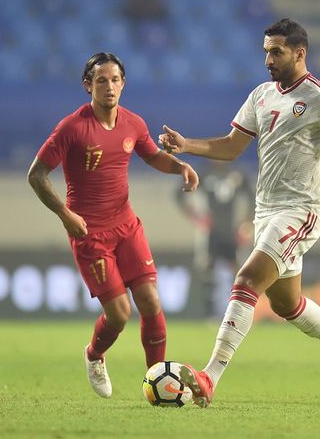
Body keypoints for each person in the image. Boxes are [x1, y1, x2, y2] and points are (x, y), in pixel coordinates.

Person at [159, 18, 320, 407]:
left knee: (246, 278)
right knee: (286, 304)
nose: (268, 59)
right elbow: (230, 146)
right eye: (266, 52)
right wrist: (186, 144)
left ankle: (210, 375)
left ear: (300, 52)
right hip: (265, 212)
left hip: (300, 211)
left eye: (276, 51)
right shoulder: (260, 95)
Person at [27, 52, 199, 399]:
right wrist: (65, 214)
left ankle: (159, 380)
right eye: (101, 80)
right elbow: (37, 175)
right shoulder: (72, 127)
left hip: (127, 226)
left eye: (115, 79)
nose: (109, 86)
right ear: (87, 85)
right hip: (89, 233)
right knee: (119, 314)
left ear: (123, 84)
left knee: (150, 301)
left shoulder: (133, 124)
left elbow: (152, 155)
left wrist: (180, 166)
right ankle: (94, 355)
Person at [175, 162, 254, 316]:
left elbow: (253, 199)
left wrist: (246, 224)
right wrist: (196, 217)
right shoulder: (204, 175)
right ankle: (210, 313)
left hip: (233, 232)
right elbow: (179, 194)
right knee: (208, 270)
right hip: (211, 234)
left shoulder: (238, 175)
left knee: (239, 270)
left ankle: (239, 312)